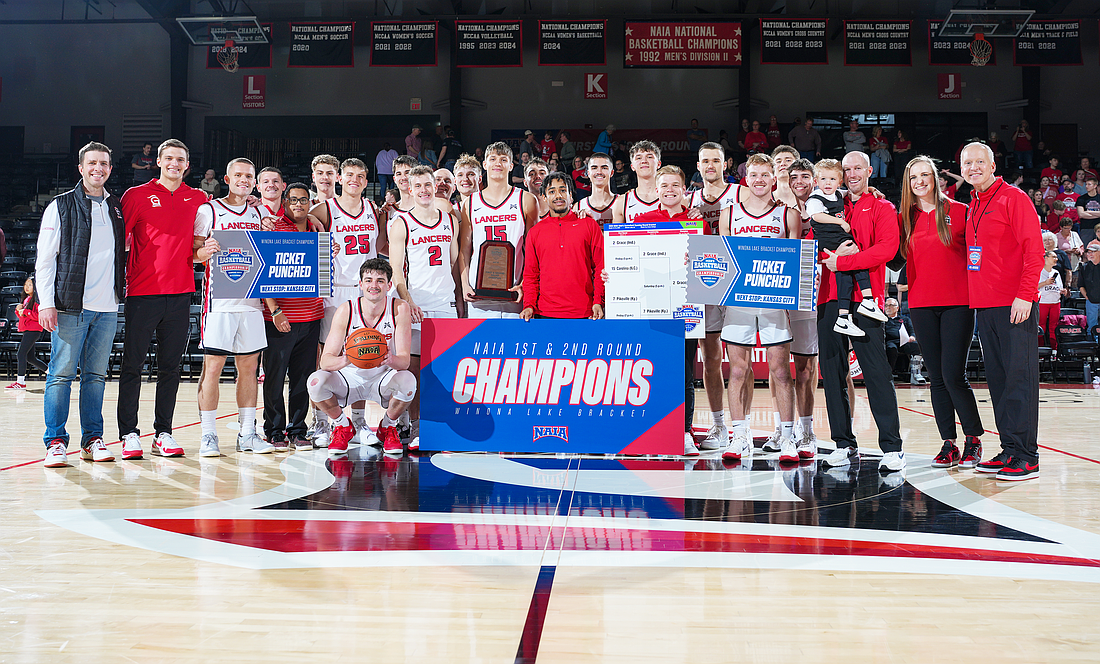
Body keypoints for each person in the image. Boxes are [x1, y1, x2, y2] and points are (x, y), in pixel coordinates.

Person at [38, 142, 125, 468]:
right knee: (60, 375)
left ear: (110, 168)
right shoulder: (59, 207)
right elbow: (45, 261)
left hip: (107, 307)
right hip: (69, 306)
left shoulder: (115, 207)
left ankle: (92, 439)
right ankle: (56, 442)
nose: (98, 169)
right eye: (92, 163)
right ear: (81, 167)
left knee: (95, 377)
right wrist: (47, 303)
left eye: (103, 163)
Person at [960, 142, 1043, 481]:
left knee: (1019, 380)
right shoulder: (973, 204)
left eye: (980, 161)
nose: (974, 167)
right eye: (968, 162)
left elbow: (1034, 251)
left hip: (1015, 305)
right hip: (985, 306)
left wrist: (1025, 295)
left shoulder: (1014, 198)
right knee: (999, 382)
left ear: (993, 165)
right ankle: (1009, 447)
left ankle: (1027, 455)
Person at [818, 151, 905, 474]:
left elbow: (887, 250)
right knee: (832, 372)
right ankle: (842, 443)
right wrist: (831, 260)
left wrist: (843, 262)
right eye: (847, 169)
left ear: (869, 170)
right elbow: (815, 247)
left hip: (867, 300)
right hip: (828, 297)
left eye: (858, 168)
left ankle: (893, 448)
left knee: (876, 373)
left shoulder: (883, 206)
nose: (852, 174)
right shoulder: (829, 206)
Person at [117, 139, 204, 459]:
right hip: (142, 293)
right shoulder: (135, 196)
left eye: (180, 159)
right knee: (132, 366)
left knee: (170, 368)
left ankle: (163, 432)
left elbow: (205, 237)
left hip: (181, 294)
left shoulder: (198, 198)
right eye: (168, 158)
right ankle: (128, 434)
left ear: (187, 165)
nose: (174, 163)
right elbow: (116, 242)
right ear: (158, 162)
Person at [898, 155, 985, 468]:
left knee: (953, 375)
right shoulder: (904, 218)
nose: (920, 181)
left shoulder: (961, 211)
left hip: (958, 303)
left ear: (935, 178)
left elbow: (978, 256)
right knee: (936, 377)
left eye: (925, 175)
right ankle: (948, 442)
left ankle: (973, 439)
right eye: (913, 177)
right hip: (921, 305)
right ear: (908, 184)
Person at [716, 154, 800, 463]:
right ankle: (740, 437)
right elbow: (722, 260)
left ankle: (787, 437)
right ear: (745, 179)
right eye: (754, 175)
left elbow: (795, 262)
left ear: (774, 179)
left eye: (766, 174)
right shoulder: (729, 214)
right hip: (739, 303)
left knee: (780, 370)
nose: (760, 180)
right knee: (738, 370)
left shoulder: (787, 214)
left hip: (774, 302)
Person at [190, 158, 272, 458]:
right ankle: (208, 435)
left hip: (252, 302)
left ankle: (247, 433)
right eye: (238, 175)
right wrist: (203, 250)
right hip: (219, 302)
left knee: (249, 369)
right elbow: (194, 253)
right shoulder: (208, 210)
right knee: (212, 369)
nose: (243, 180)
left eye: (249, 176)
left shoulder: (259, 211)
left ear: (254, 181)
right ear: (226, 178)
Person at [309, 158, 387, 447]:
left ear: (367, 181)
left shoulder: (373, 210)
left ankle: (359, 423)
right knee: (324, 357)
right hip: (334, 290)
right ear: (340, 178)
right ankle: (320, 423)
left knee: (362, 354)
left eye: (360, 176)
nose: (355, 179)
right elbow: (300, 231)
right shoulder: (324, 210)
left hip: (365, 292)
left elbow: (381, 248)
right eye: (349, 175)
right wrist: (322, 245)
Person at [307, 258, 416, 457]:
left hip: (382, 376)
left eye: (380, 281)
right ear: (360, 284)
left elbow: (404, 361)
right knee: (315, 381)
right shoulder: (346, 310)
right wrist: (346, 359)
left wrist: (389, 359)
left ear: (389, 285)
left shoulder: (399, 308)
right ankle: (342, 426)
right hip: (351, 376)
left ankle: (388, 427)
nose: (373, 285)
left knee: (409, 381)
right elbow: (326, 361)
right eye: (368, 280)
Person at [626, 165, 700, 455]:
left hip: (686, 309)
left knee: (684, 374)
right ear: (656, 190)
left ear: (684, 190)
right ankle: (653, 431)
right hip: (651, 310)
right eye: (664, 186)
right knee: (651, 373)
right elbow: (629, 260)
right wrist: (614, 275)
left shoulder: (695, 222)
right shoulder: (642, 221)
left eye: (675, 186)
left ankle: (684, 433)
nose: (670, 190)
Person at [389, 166, 459, 450]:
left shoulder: (450, 220)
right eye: (417, 186)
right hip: (416, 304)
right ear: (409, 188)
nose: (424, 190)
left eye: (428, 184)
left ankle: (441, 424)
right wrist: (408, 301)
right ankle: (417, 428)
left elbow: (454, 263)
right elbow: (395, 270)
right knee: (416, 370)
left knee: (443, 369)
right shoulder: (401, 222)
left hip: (445, 303)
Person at [261, 183, 325, 452]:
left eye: (304, 200)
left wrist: (327, 256)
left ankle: (298, 429)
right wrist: (275, 311)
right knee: (275, 377)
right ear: (285, 202)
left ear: (310, 203)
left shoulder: (316, 229)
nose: (299, 205)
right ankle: (274, 430)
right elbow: (263, 274)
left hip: (311, 316)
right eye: (294, 200)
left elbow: (322, 272)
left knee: (303, 377)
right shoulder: (274, 229)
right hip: (280, 317)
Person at [687, 142, 741, 452]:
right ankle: (720, 426)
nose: (710, 165)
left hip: (732, 282)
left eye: (716, 160)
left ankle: (740, 427)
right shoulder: (689, 198)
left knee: (739, 360)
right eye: (705, 160)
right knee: (709, 359)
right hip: (703, 284)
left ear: (726, 163)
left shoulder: (739, 194)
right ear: (698, 163)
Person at [806, 159, 886, 337]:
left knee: (848, 272)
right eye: (824, 179)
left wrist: (871, 189)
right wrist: (839, 221)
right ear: (816, 181)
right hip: (828, 238)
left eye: (833, 179)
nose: (828, 183)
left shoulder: (837, 194)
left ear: (839, 181)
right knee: (854, 253)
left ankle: (845, 316)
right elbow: (817, 216)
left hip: (836, 237)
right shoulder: (815, 198)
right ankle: (866, 300)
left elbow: (852, 192)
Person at [459, 141, 539, 319]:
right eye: (493, 159)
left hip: (514, 290)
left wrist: (525, 284)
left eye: (503, 159)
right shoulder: (470, 203)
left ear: (511, 166)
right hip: (478, 292)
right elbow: (464, 250)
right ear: (485, 164)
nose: (498, 163)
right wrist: (465, 284)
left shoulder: (526, 199)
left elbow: (534, 250)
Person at [520, 171, 604, 320]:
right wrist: (528, 305)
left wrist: (599, 301)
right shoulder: (535, 232)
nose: (558, 196)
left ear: (571, 196)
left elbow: (601, 267)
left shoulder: (589, 225)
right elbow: (531, 275)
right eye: (552, 191)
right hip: (545, 314)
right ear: (544, 197)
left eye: (563, 190)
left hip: (585, 313)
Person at [7, 277, 48, 390]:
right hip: (28, 330)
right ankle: (51, 373)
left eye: (30, 285)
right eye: (26, 284)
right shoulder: (27, 300)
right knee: (31, 358)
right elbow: (23, 317)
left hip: (34, 330)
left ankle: (20, 382)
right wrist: (18, 310)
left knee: (21, 354)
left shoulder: (37, 300)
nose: (26, 287)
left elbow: (38, 316)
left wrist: (25, 311)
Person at [611, 140, 662, 224]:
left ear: (658, 164)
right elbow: (617, 236)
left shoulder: (676, 199)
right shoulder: (622, 202)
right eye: (639, 158)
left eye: (649, 157)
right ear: (632, 166)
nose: (644, 161)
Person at [883, 298, 923, 383]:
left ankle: (916, 373)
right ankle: (888, 375)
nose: (888, 307)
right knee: (891, 349)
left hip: (904, 341)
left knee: (918, 346)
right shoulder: (882, 320)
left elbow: (912, 330)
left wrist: (912, 336)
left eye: (891, 305)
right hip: (890, 342)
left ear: (897, 308)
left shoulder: (905, 319)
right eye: (886, 305)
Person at [575, 152, 617, 226]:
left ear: (612, 173)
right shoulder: (578, 207)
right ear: (588, 173)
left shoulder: (623, 203)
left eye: (604, 168)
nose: (599, 172)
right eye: (594, 168)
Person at [1037, 250, 1066, 351]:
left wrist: (1063, 291)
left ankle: (1054, 349)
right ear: (1046, 258)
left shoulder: (1056, 272)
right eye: (1053, 257)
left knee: (1054, 327)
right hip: (1043, 302)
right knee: (1041, 327)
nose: (1056, 259)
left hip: (1055, 303)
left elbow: (1059, 287)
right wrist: (1045, 282)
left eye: (1056, 257)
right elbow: (1033, 286)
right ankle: (1040, 349)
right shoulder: (1039, 271)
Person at [1078, 241, 1100, 340]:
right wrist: (1086, 296)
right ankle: (1093, 347)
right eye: (1088, 252)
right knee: (1091, 327)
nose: (1089, 255)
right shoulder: (1084, 267)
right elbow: (1080, 285)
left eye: (1092, 252)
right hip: (1091, 301)